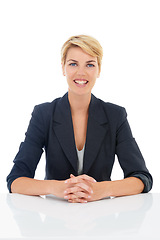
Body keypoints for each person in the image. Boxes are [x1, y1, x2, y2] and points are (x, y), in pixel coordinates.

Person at [7, 35, 153, 203]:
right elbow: (15, 181)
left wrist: (100, 189)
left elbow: (142, 178)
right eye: (73, 64)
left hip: (102, 218)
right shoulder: (44, 114)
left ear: (99, 69)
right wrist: (56, 187)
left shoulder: (115, 115)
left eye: (90, 64)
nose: (81, 72)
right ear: (63, 68)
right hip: (54, 219)